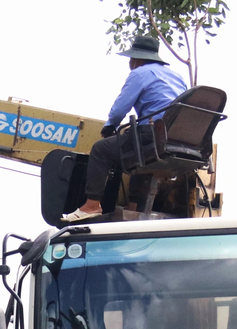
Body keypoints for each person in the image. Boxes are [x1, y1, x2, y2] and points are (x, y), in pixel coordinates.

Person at [62, 35, 188, 223]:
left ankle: (91, 205)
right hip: (178, 140)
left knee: (102, 149)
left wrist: (109, 126)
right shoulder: (177, 77)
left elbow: (121, 108)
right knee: (139, 156)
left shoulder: (139, 73)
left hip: (153, 134)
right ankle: (133, 207)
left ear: (136, 59)